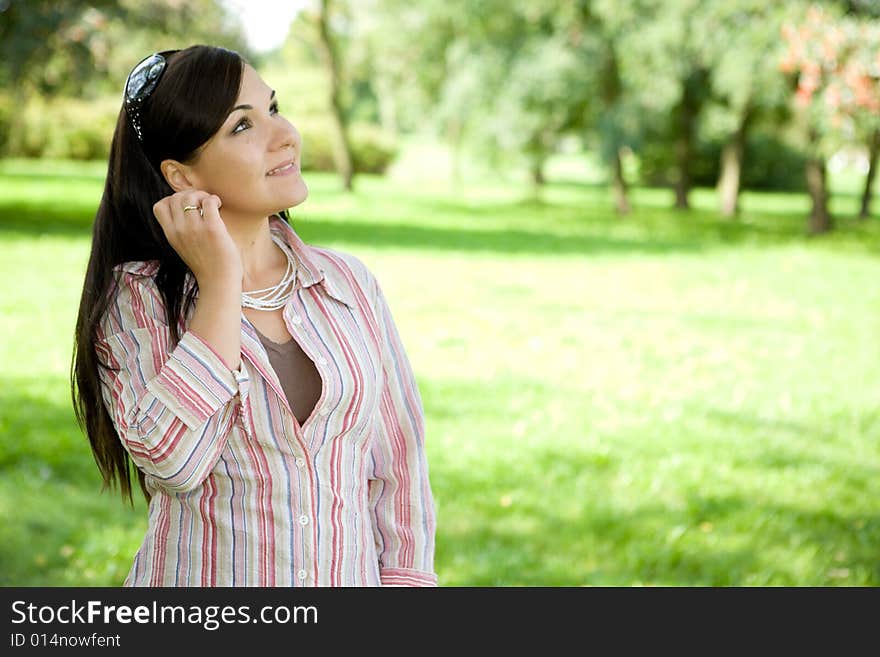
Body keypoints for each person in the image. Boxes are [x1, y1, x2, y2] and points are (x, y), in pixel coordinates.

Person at [71, 45, 437, 587]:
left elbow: (398, 469)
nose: (284, 134)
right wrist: (221, 285)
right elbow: (175, 464)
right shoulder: (138, 301)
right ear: (182, 176)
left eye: (273, 108)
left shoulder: (349, 285)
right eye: (242, 126)